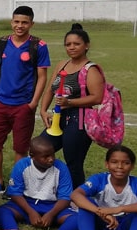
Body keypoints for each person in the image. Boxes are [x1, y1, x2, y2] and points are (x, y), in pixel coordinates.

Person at [0, 5, 51, 186]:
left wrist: (33, 103)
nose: (19, 26)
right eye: (16, 21)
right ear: (11, 22)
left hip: (23, 105)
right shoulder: (1, 43)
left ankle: (16, 183)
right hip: (1, 103)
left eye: (24, 22)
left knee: (20, 147)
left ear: (31, 24)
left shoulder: (38, 46)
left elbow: (42, 76)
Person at [38, 23, 104, 186]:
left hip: (79, 121)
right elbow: (50, 89)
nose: (72, 47)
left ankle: (76, 199)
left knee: (73, 162)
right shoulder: (62, 64)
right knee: (40, 149)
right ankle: (44, 187)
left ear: (86, 46)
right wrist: (43, 110)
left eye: (76, 44)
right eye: (68, 44)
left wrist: (70, 102)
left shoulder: (91, 69)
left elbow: (97, 98)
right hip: (59, 118)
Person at [0, 136, 76, 230]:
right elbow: (15, 193)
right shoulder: (22, 165)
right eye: (46, 156)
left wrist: (51, 214)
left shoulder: (61, 168)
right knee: (1, 211)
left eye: (53, 155)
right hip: (27, 204)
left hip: (53, 206)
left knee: (77, 218)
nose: (51, 159)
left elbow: (65, 197)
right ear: (32, 155)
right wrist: (30, 212)